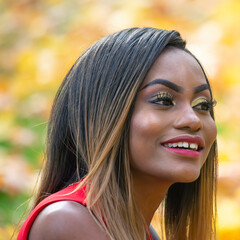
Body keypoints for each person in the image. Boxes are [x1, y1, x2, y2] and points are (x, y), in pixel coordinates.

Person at [17, 27, 218, 240]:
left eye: (202, 105)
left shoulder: (143, 233)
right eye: (163, 100)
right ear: (104, 115)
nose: (193, 120)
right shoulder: (68, 220)